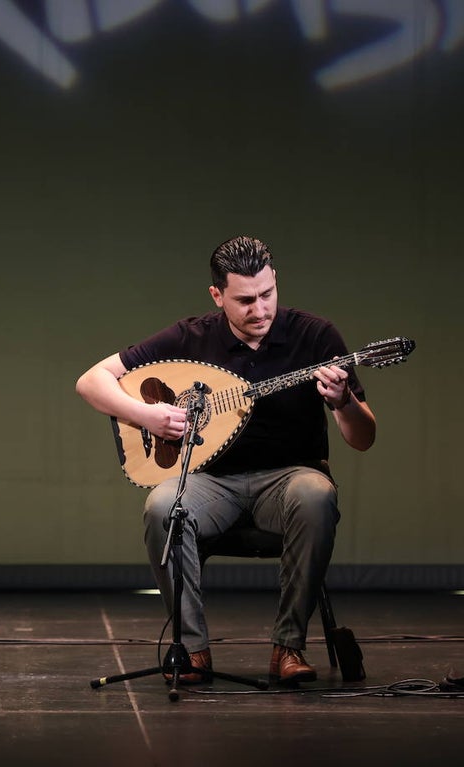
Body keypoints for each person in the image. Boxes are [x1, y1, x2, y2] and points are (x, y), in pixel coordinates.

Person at [75, 235, 376, 685]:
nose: (260, 310)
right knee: (162, 507)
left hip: (289, 479)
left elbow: (363, 437)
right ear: (218, 296)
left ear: (276, 282)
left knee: (316, 496)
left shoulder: (316, 336)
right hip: (210, 482)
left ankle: (288, 648)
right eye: (245, 300)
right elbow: (91, 380)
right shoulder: (190, 337)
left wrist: (343, 401)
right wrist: (148, 416)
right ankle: (193, 651)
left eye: (268, 294)